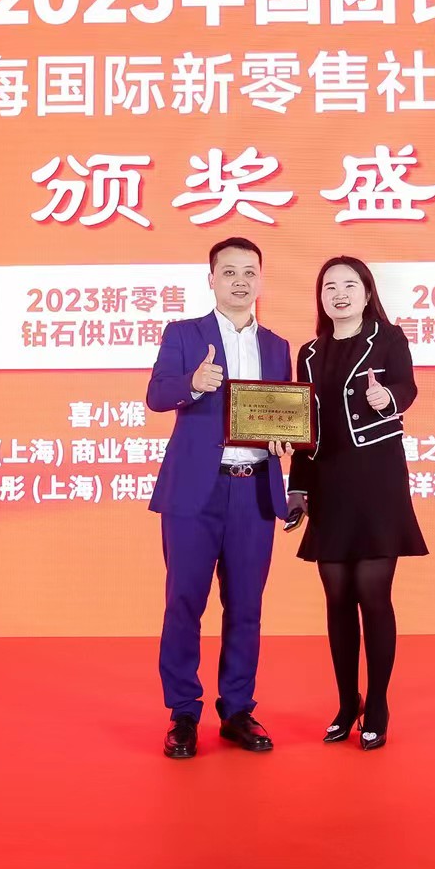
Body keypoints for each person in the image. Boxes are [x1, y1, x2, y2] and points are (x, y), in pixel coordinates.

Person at [146, 237, 294, 759]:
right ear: (211, 279)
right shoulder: (184, 334)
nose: (240, 281)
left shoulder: (277, 345)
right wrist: (192, 382)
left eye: (249, 272)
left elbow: (282, 412)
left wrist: (283, 439)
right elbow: (157, 395)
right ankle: (183, 713)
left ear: (261, 280)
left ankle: (237, 710)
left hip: (253, 490)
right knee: (184, 603)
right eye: (229, 272)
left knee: (247, 606)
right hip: (194, 492)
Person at [287, 256, 428, 752]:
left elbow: (407, 386)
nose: (339, 294)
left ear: (367, 293)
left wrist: (388, 398)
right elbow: (302, 427)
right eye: (330, 286)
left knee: (373, 593)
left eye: (350, 285)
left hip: (377, 481)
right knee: (337, 597)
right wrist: (298, 489)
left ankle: (379, 704)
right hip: (329, 482)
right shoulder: (308, 353)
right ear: (321, 297)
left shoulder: (388, 338)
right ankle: (348, 702)